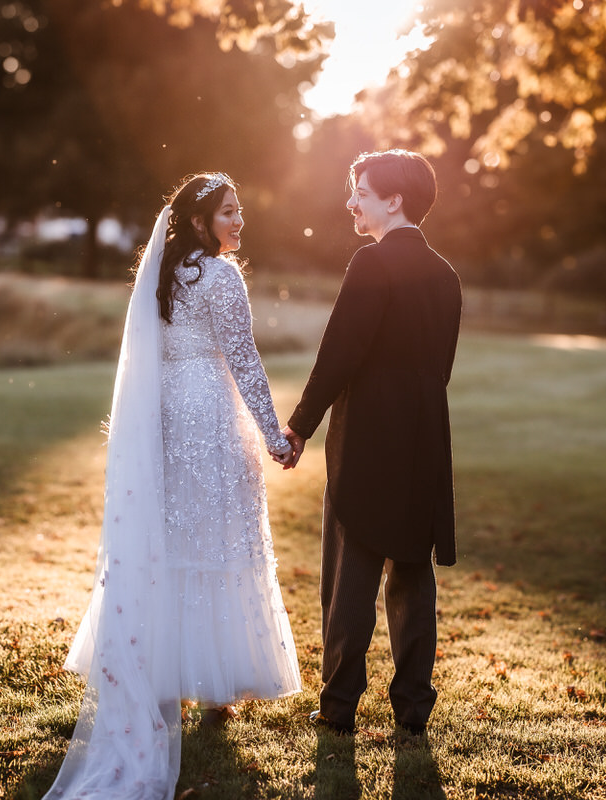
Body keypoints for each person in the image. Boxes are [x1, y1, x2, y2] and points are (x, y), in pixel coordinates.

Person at [44, 173, 302, 800]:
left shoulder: (164, 275)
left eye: (240, 211)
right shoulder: (221, 277)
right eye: (230, 213)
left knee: (177, 544)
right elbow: (243, 358)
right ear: (198, 221)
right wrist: (274, 434)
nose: (240, 223)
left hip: (166, 419)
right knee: (219, 543)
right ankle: (215, 687)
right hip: (211, 416)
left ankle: (171, 676)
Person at [282, 150, 462, 737]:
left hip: (367, 441)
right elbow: (442, 367)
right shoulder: (447, 277)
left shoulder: (371, 264)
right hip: (425, 438)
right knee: (412, 572)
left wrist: (300, 425)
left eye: (361, 190)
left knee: (351, 573)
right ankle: (413, 711)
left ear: (394, 200)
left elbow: (339, 355)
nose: (352, 202)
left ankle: (338, 709)